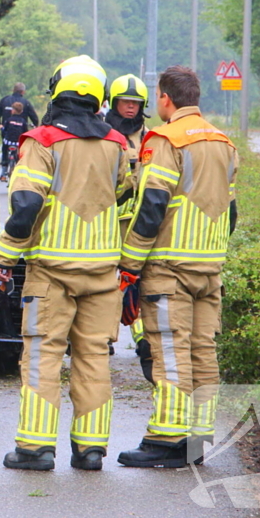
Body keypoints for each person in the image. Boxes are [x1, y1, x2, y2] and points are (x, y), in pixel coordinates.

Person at [0, 55, 132, 472]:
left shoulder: (42, 141)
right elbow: (122, 191)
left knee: (43, 356)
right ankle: (90, 450)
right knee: (93, 360)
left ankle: (35, 448)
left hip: (52, 272)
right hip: (102, 273)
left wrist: (5, 256)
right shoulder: (117, 144)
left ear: (58, 91)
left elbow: (25, 205)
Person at [116, 65, 239, 469]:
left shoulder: (166, 140)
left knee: (169, 349)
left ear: (165, 98)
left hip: (169, 268)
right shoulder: (224, 142)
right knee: (203, 351)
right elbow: (231, 210)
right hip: (209, 267)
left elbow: (152, 205)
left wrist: (130, 264)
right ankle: (198, 438)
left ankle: (167, 440)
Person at [105, 74, 150, 361]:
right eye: (125, 102)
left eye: (136, 103)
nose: (131, 107)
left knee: (139, 280)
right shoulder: (102, 132)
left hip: (140, 221)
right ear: (114, 103)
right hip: (108, 222)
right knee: (106, 282)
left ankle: (144, 340)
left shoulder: (151, 137)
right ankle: (103, 336)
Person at [0, 83, 39, 177]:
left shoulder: (5, 100)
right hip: (20, 134)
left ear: (13, 90)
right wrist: (35, 125)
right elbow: (34, 117)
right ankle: (21, 168)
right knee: (22, 149)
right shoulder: (26, 102)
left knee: (5, 146)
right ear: (23, 92)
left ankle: (4, 169)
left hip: (7, 131)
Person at [0, 100, 29, 182]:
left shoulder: (9, 120)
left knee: (4, 152)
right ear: (21, 111)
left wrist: (1, 129)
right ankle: (20, 172)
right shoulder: (23, 122)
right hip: (18, 143)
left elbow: (5, 130)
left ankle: (3, 174)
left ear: (13, 110)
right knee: (20, 156)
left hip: (8, 141)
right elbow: (25, 132)